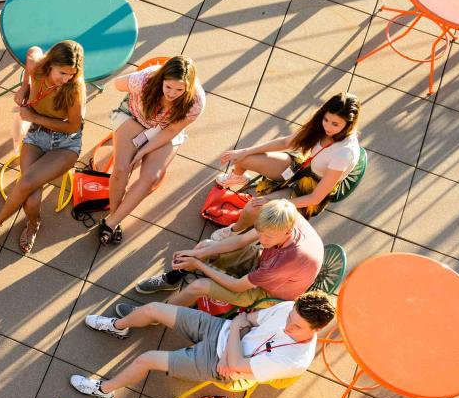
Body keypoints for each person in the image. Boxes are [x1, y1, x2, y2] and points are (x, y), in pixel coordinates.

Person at [70, 290, 336, 398]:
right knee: (152, 308)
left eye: (297, 327)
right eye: (291, 318)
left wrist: (235, 329)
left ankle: (103, 390)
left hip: (221, 366)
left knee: (147, 359)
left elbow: (237, 366)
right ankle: (118, 326)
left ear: (316, 330)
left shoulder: (295, 359)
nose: (288, 325)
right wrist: (236, 328)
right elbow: (251, 319)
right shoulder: (290, 308)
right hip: (224, 334)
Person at [0, 40, 85, 253]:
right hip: (37, 136)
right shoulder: (37, 69)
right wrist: (24, 87)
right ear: (50, 64)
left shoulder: (75, 88)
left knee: (27, 182)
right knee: (31, 203)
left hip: (65, 143)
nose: (67, 79)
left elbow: (72, 126)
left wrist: (34, 117)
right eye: (62, 73)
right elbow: (32, 50)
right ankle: (34, 223)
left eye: (71, 74)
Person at [132, 199, 323, 308]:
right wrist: (197, 254)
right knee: (205, 245)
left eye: (268, 237)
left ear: (288, 232)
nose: (262, 240)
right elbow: (240, 240)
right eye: (260, 233)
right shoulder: (282, 216)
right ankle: (171, 279)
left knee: (199, 286)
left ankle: (155, 313)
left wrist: (199, 265)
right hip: (264, 263)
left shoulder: (286, 260)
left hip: (268, 295)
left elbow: (239, 286)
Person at [215, 92, 362, 233]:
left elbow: (315, 198)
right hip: (303, 164)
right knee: (242, 158)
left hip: (311, 187)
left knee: (252, 207)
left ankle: (234, 231)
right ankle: (238, 177)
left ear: (349, 124)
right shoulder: (321, 123)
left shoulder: (344, 153)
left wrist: (272, 202)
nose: (328, 127)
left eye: (335, 124)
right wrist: (245, 151)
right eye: (326, 119)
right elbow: (287, 142)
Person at [100, 56, 205, 246]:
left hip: (164, 128)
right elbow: (117, 84)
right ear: (162, 79)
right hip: (134, 116)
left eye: (179, 89)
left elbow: (173, 130)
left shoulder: (196, 101)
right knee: (122, 168)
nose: (172, 93)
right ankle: (115, 218)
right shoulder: (146, 79)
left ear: (188, 87)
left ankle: (111, 222)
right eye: (168, 87)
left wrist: (142, 151)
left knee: (152, 177)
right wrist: (135, 85)